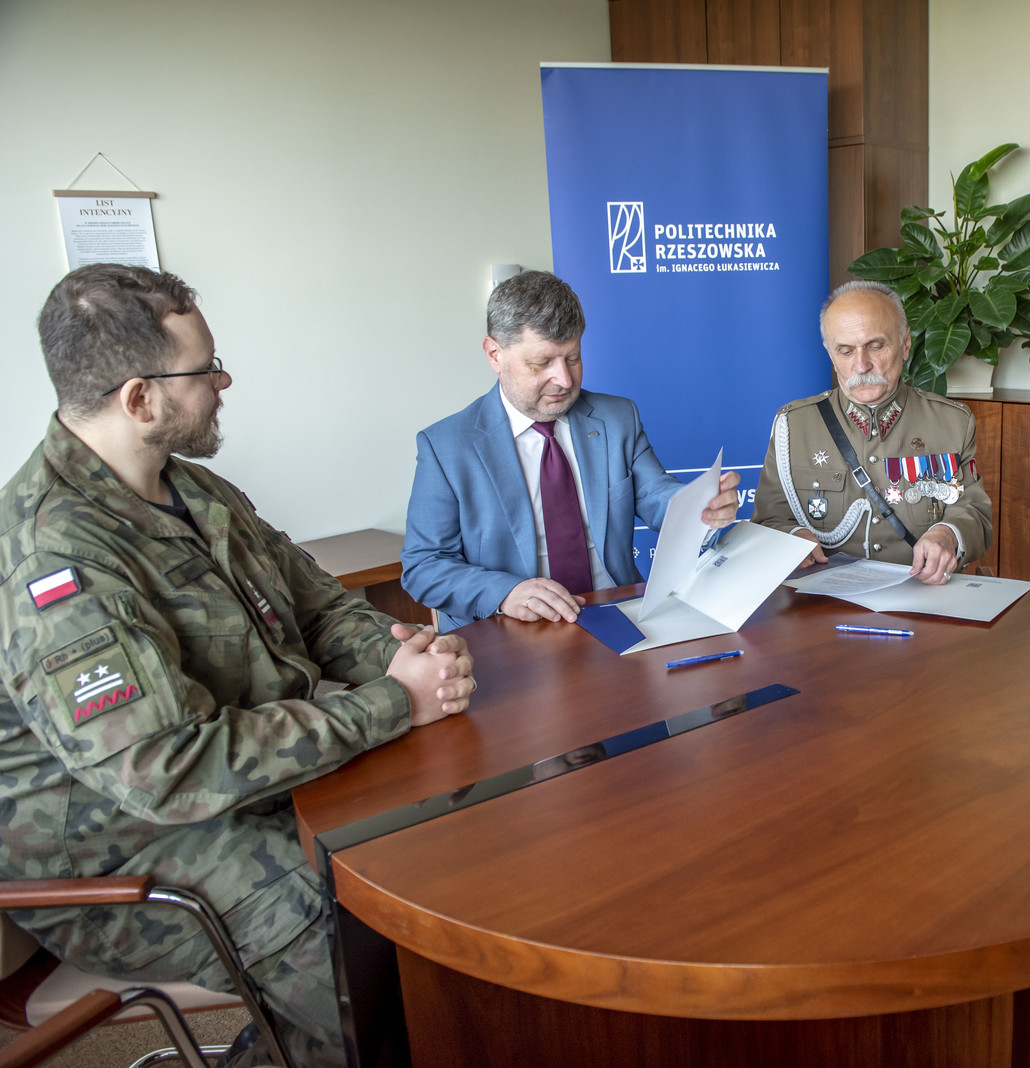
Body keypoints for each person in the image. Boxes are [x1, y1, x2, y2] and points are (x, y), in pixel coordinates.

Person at [0, 264, 476, 1068]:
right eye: (205, 369)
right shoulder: (54, 557)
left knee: (439, 850)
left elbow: (316, 607)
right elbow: (166, 770)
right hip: (127, 853)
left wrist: (404, 655)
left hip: (249, 793)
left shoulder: (196, 491)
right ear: (139, 399)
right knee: (375, 955)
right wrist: (392, 705)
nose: (224, 381)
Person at [402, 270, 741, 631]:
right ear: (495, 354)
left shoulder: (617, 418)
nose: (564, 380)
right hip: (509, 629)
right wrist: (505, 593)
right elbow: (424, 566)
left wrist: (699, 507)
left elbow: (655, 494)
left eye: (573, 358)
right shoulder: (446, 446)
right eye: (541, 363)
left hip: (617, 612)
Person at [751, 280, 992, 582]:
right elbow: (768, 520)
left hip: (922, 592)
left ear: (905, 344)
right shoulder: (795, 425)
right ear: (830, 353)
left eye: (875, 346)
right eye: (845, 351)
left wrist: (949, 533)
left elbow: (975, 512)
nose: (861, 365)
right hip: (823, 597)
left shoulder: (952, 422)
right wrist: (792, 537)